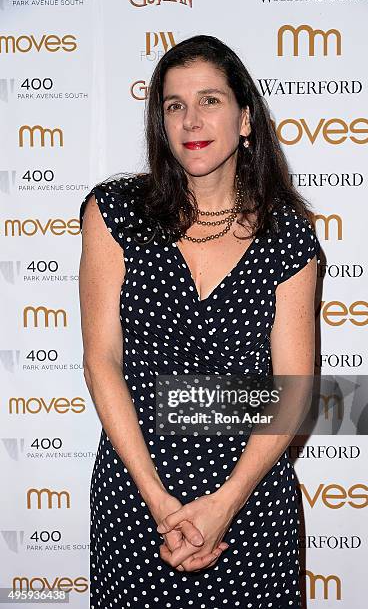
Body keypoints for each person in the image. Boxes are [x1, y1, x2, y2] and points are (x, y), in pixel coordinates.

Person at [79, 34, 320, 608]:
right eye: (174, 104)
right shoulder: (114, 213)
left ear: (245, 119)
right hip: (137, 496)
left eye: (210, 100)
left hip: (249, 501)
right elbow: (101, 360)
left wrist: (224, 504)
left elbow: (293, 391)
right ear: (160, 122)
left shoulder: (288, 237)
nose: (191, 120)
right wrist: (162, 504)